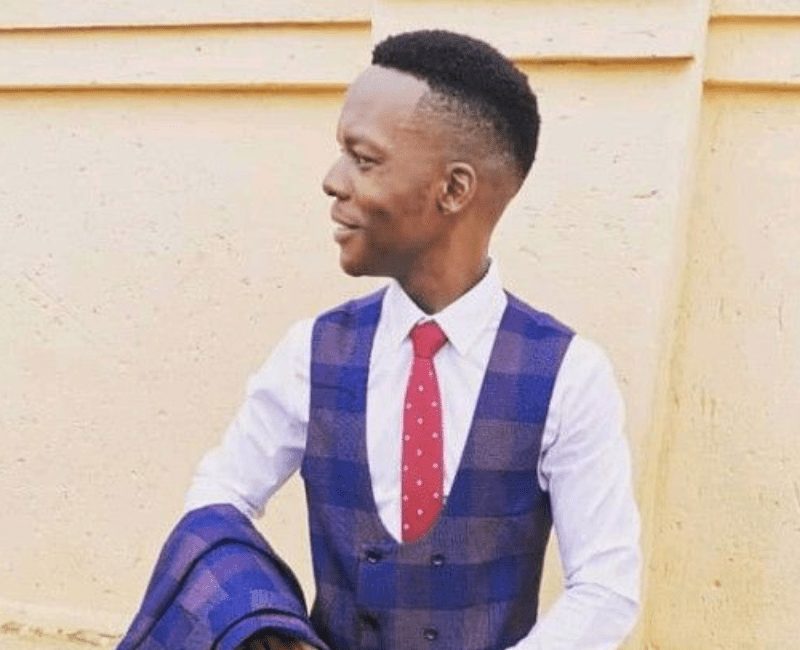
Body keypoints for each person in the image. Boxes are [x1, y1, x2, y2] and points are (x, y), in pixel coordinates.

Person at [184, 29, 641, 650]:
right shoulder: (311, 353)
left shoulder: (569, 375)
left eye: (364, 159)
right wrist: (263, 620)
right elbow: (219, 498)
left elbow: (606, 585)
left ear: (453, 189)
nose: (332, 181)